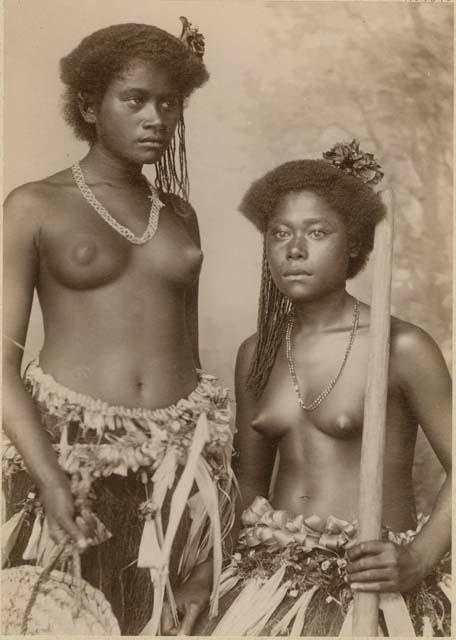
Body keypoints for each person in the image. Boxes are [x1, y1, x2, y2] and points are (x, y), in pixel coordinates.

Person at [2, 19, 236, 636]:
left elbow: (190, 359)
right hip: (66, 460)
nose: (156, 117)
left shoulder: (181, 215)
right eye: (135, 100)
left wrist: (202, 514)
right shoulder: (34, 205)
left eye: (169, 103)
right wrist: (49, 478)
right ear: (88, 104)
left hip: (175, 478)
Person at [197, 141, 451, 636]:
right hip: (267, 588)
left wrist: (418, 557)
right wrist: (210, 571)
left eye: (317, 232)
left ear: (353, 243)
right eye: (279, 234)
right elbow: (249, 485)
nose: (295, 250)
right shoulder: (259, 351)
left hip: (371, 594)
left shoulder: (400, 346)